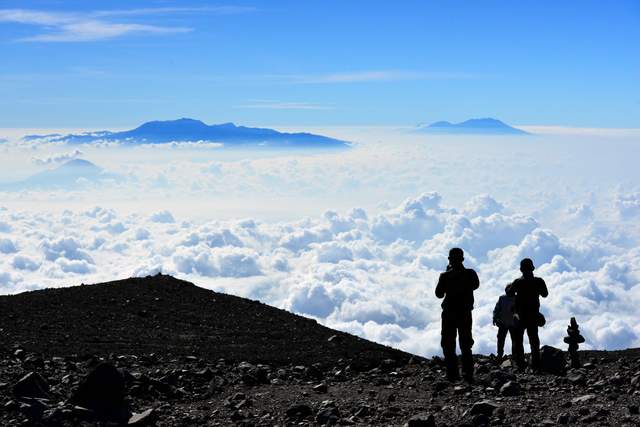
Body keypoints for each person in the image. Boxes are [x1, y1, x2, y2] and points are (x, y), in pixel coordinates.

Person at [435, 248, 480, 381]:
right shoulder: (470, 273)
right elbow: (476, 285)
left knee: (448, 343)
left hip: (449, 313)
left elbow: (439, 294)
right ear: (462, 259)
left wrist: (448, 275)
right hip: (465, 313)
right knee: (465, 343)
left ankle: (452, 373)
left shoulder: (445, 276)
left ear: (449, 260)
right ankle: (467, 373)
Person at [510, 258, 548, 371]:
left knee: (518, 341)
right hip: (533, 314)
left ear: (521, 269)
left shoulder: (517, 282)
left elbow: (509, 292)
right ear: (532, 268)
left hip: (521, 315)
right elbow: (545, 294)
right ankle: (536, 366)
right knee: (534, 341)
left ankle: (521, 365)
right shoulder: (538, 281)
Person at [492, 284, 517, 360]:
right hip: (504, 322)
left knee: (514, 340)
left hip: (513, 323)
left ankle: (514, 355)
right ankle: (500, 354)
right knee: (501, 339)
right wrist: (495, 318)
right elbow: (497, 309)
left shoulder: (517, 299)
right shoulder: (502, 298)